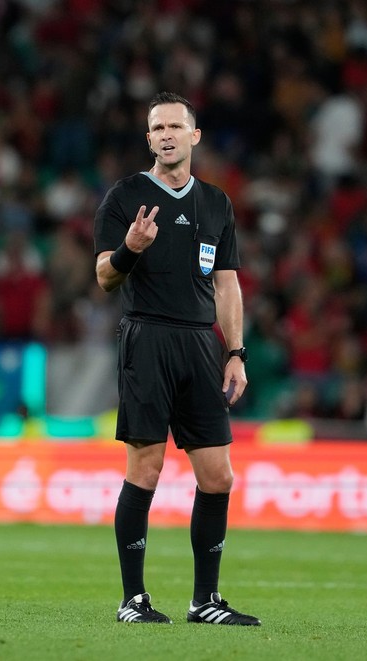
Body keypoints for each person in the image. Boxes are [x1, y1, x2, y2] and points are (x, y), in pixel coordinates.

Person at [93, 91, 260, 626]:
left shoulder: (215, 203)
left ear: (194, 136)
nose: (165, 134)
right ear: (148, 140)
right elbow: (103, 276)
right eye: (155, 128)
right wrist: (130, 249)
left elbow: (228, 284)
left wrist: (234, 351)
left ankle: (204, 601)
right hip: (147, 338)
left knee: (219, 477)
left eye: (174, 126)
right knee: (145, 469)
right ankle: (132, 600)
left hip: (200, 345)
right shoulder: (126, 196)